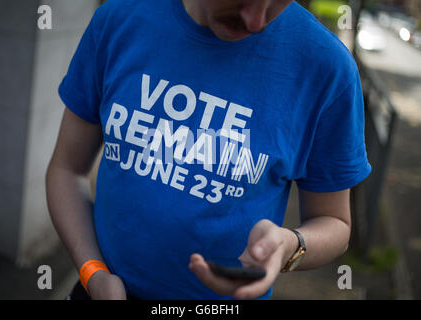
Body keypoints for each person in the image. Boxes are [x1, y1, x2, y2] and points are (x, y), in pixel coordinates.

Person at [46, 0, 371, 300]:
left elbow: (334, 223)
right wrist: (93, 272)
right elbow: (66, 170)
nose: (256, 22)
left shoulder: (327, 69)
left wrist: (289, 246)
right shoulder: (119, 19)